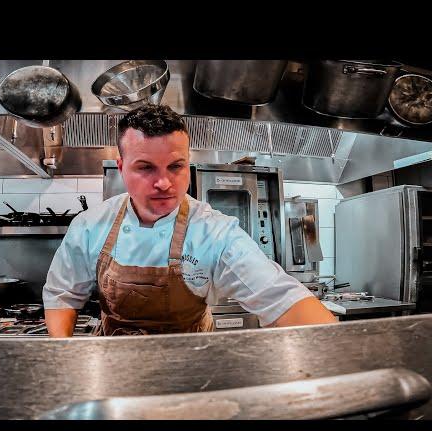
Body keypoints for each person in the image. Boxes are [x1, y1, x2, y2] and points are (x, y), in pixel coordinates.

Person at [43, 104, 337, 337]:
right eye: (146, 167)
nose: (163, 183)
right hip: (113, 363)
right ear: (121, 168)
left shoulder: (214, 232)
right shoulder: (90, 226)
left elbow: (280, 297)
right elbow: (62, 296)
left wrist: (338, 349)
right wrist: (64, 355)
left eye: (175, 166)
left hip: (194, 366)